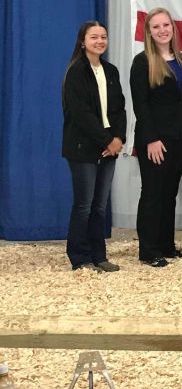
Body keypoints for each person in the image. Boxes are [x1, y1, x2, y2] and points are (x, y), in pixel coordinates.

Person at [130, 8, 182, 268]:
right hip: (155, 140)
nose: (162, 30)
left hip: (178, 138)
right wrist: (151, 139)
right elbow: (141, 104)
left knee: (169, 194)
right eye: (156, 26)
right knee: (153, 193)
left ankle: (166, 245)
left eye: (165, 25)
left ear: (172, 28)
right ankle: (148, 250)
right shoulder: (142, 61)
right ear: (149, 32)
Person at [62, 21, 126, 272]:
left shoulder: (111, 71)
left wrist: (118, 139)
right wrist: (106, 140)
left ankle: (99, 255)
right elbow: (81, 114)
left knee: (100, 205)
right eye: (94, 37)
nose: (100, 41)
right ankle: (80, 257)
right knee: (84, 205)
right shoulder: (76, 71)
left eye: (103, 37)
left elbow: (119, 108)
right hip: (83, 146)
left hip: (110, 146)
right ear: (83, 41)